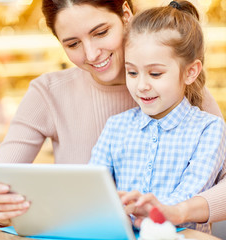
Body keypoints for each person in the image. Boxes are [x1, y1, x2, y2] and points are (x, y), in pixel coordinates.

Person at [0, 0, 223, 227]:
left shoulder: (184, 90)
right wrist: (1, 205)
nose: (92, 54)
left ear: (126, 15)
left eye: (101, 32)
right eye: (73, 44)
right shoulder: (48, 94)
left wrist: (182, 210)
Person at [89, 0, 226, 233]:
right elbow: (92, 186)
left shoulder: (209, 128)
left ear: (190, 72)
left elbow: (189, 195)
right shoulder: (116, 126)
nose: (141, 85)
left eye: (155, 73)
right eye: (132, 72)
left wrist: (143, 209)